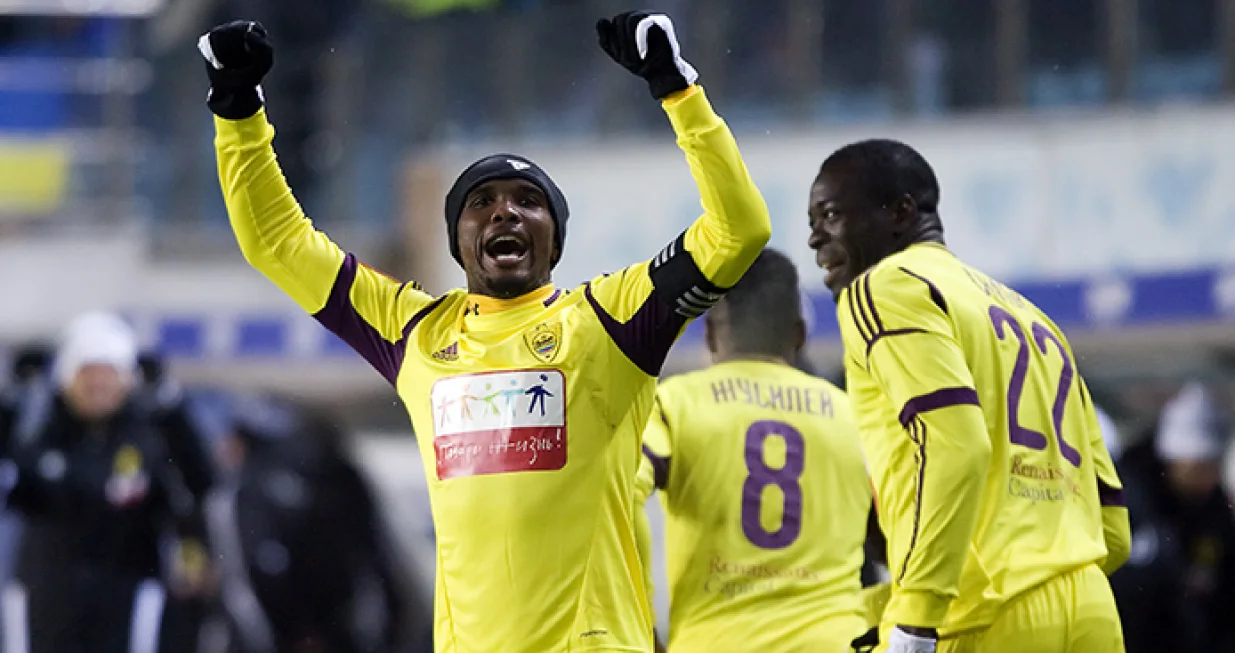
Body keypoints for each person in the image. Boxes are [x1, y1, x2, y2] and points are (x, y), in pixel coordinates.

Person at [197, 10, 771, 652]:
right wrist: (238, 110)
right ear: (458, 241)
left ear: (554, 243)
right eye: (482, 201)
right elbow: (276, 242)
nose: (505, 212)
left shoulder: (608, 321)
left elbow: (739, 230)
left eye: (528, 201)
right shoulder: (413, 331)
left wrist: (678, 91)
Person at [806, 139, 1131, 653]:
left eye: (830, 214)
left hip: (980, 614)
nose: (813, 237)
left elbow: (956, 445)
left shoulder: (882, 288)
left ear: (900, 213)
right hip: (1092, 610)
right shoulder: (1035, 319)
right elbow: (1112, 525)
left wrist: (916, 614)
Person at [635, 249, 871, 652]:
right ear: (799, 335)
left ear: (710, 333)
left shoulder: (676, 403)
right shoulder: (854, 414)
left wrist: (640, 625)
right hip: (836, 641)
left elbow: (616, 498)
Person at [0, 312, 209, 653]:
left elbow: (201, 482)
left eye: (109, 373)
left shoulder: (148, 438)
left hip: (127, 592)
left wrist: (171, 405)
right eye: (87, 372)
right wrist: (9, 401)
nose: (98, 385)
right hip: (46, 594)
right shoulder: (39, 437)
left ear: (127, 379)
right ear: (67, 378)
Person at [204, 393, 419, 653]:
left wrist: (288, 635)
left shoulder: (244, 494)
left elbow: (248, 580)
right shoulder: (339, 477)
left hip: (296, 630)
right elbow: (378, 558)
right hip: (337, 626)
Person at [1109, 382, 1235, 653]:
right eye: (1199, 468)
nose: (1208, 478)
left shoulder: (1213, 512)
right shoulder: (1134, 501)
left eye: (1213, 467)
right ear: (1173, 460)